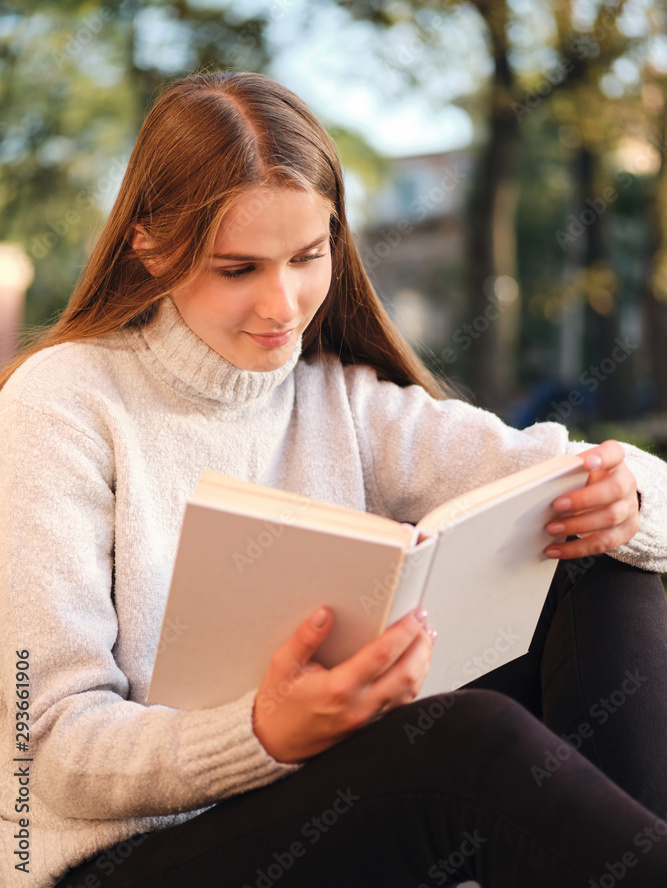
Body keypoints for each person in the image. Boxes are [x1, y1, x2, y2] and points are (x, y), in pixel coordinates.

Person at [1, 71, 666, 888]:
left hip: (304, 805)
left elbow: (593, 477)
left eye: (307, 256)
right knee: (462, 748)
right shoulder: (62, 402)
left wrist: (627, 503)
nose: (283, 303)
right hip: (115, 860)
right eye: (238, 268)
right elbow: (47, 749)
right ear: (149, 244)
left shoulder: (341, 400)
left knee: (602, 554)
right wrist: (262, 732)